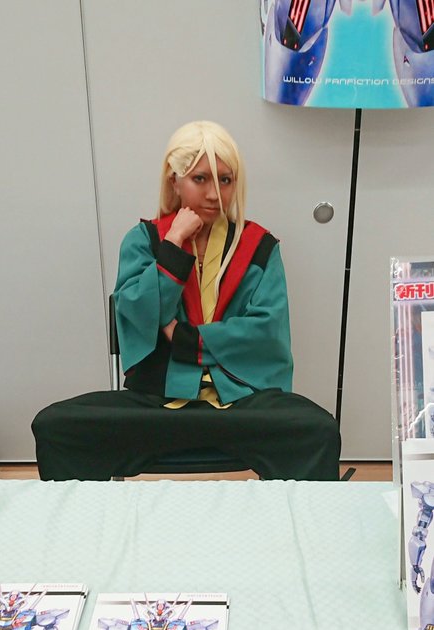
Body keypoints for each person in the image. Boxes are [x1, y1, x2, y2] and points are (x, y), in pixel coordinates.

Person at [32, 121, 340, 481]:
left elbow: (266, 331)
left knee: (317, 429)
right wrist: (173, 246)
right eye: (200, 179)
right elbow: (135, 314)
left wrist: (184, 338)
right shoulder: (144, 240)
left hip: (242, 406)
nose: (214, 194)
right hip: (158, 405)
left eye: (225, 180)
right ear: (174, 181)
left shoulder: (259, 246)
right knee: (56, 426)